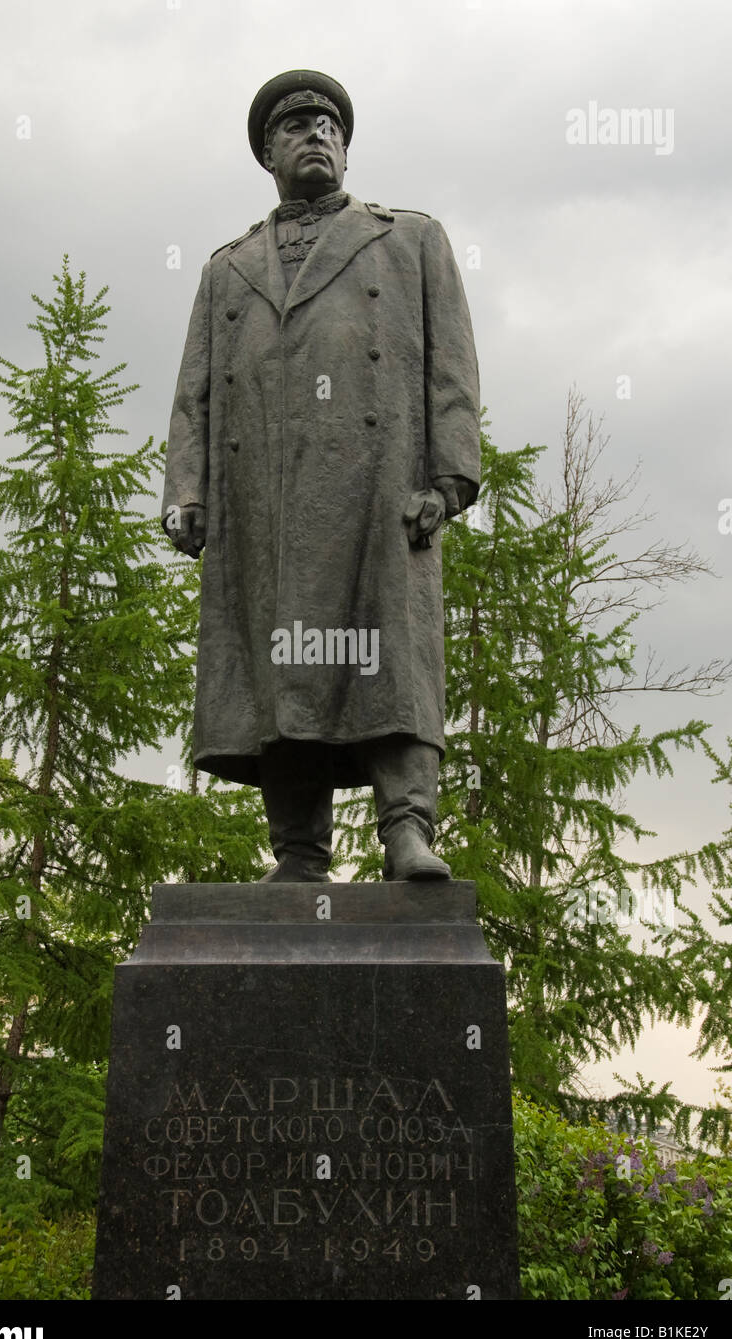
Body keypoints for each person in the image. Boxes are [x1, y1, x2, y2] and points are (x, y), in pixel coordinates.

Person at [162, 69, 480, 882]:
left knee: (390, 659)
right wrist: (188, 493)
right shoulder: (226, 267)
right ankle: (299, 853)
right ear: (268, 150)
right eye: (298, 126)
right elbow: (194, 393)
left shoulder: (409, 238)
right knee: (279, 673)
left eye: (331, 125)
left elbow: (451, 371)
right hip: (263, 501)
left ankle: (408, 830)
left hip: (381, 493)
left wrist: (449, 479)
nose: (318, 135)